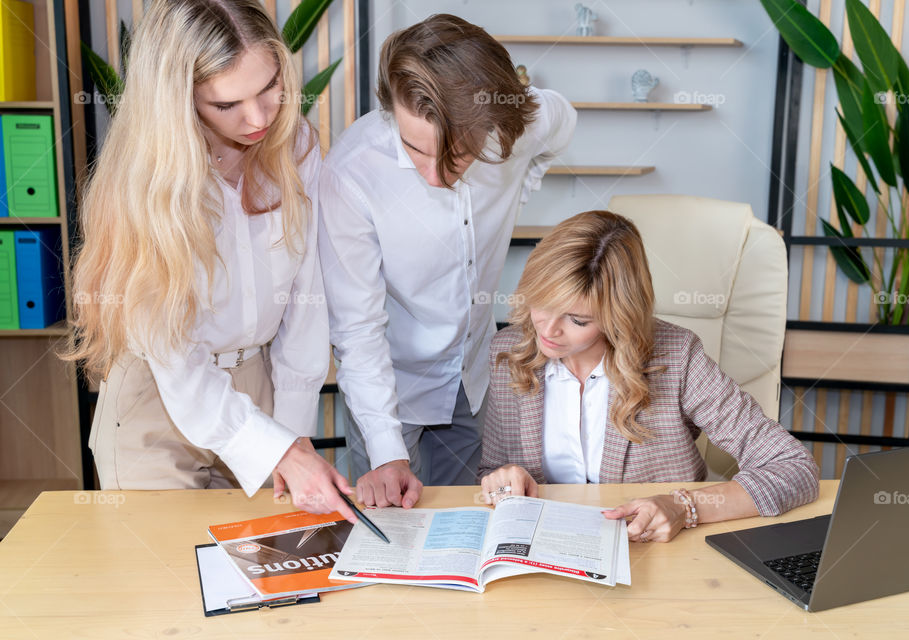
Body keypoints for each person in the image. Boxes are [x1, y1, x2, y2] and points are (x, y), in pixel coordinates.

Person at [66, 0, 355, 521]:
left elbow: (306, 303)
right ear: (178, 99)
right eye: (227, 104)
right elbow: (177, 361)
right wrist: (278, 449)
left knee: (268, 575)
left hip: (259, 383)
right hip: (157, 397)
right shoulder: (145, 185)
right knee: (167, 587)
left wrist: (293, 434)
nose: (258, 118)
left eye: (269, 88)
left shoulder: (300, 149)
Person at [318, 14, 577, 507]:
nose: (435, 176)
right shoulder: (351, 173)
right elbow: (356, 329)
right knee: (391, 540)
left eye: (457, 156)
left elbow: (562, 121)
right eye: (416, 149)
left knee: (469, 526)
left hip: (472, 377)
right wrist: (387, 454)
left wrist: (522, 185)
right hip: (389, 391)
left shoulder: (519, 121)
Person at [479, 210, 819, 542]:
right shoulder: (509, 352)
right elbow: (491, 471)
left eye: (578, 320)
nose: (548, 329)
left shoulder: (677, 355)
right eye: (541, 303)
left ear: (618, 316)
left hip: (656, 553)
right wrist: (504, 480)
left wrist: (684, 507)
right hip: (546, 547)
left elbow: (794, 467)